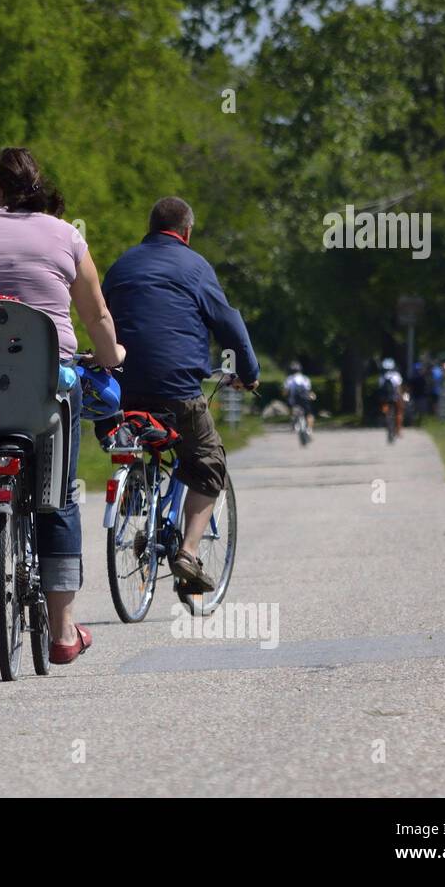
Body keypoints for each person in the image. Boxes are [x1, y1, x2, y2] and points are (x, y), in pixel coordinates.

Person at [0, 146, 125, 665]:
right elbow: (97, 314)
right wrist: (113, 357)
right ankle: (63, 632)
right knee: (60, 494)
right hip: (47, 389)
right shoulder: (66, 235)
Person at [101, 197, 259, 595]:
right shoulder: (195, 266)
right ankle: (187, 553)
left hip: (121, 392)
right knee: (208, 460)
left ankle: (138, 494)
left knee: (140, 435)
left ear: (150, 226)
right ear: (186, 232)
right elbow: (229, 322)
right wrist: (249, 373)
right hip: (177, 393)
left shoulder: (121, 265)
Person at [283, 361, 315, 434]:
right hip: (305, 398)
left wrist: (284, 396)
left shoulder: (289, 379)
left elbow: (286, 391)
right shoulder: (305, 378)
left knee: (291, 410)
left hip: (294, 399)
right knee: (309, 413)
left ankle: (294, 424)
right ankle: (309, 428)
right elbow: (309, 390)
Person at [379, 357, 405, 437]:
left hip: (385, 398)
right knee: (399, 412)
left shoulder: (382, 377)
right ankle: (398, 430)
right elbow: (399, 388)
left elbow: (380, 388)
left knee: (385, 411)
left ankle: (386, 419)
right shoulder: (396, 375)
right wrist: (401, 397)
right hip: (395, 397)